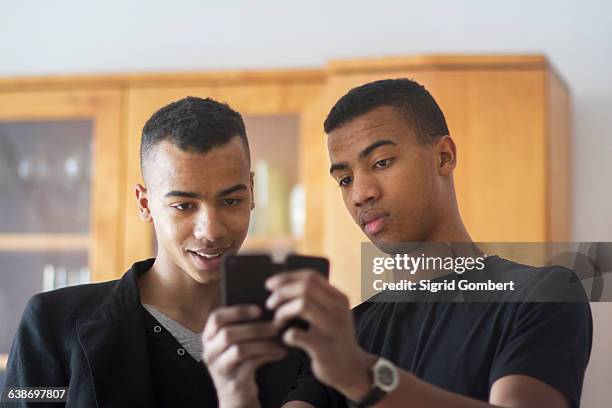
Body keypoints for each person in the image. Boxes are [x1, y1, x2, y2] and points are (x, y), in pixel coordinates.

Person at [204, 79, 592, 408]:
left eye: (382, 162)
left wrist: (361, 373)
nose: (360, 194)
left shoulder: (544, 294)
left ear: (444, 156)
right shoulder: (345, 331)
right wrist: (236, 393)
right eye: (344, 179)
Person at [4, 96, 300, 407]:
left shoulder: (294, 333)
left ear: (252, 192)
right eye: (183, 206)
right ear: (145, 204)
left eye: (230, 201)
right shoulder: (52, 324)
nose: (210, 230)